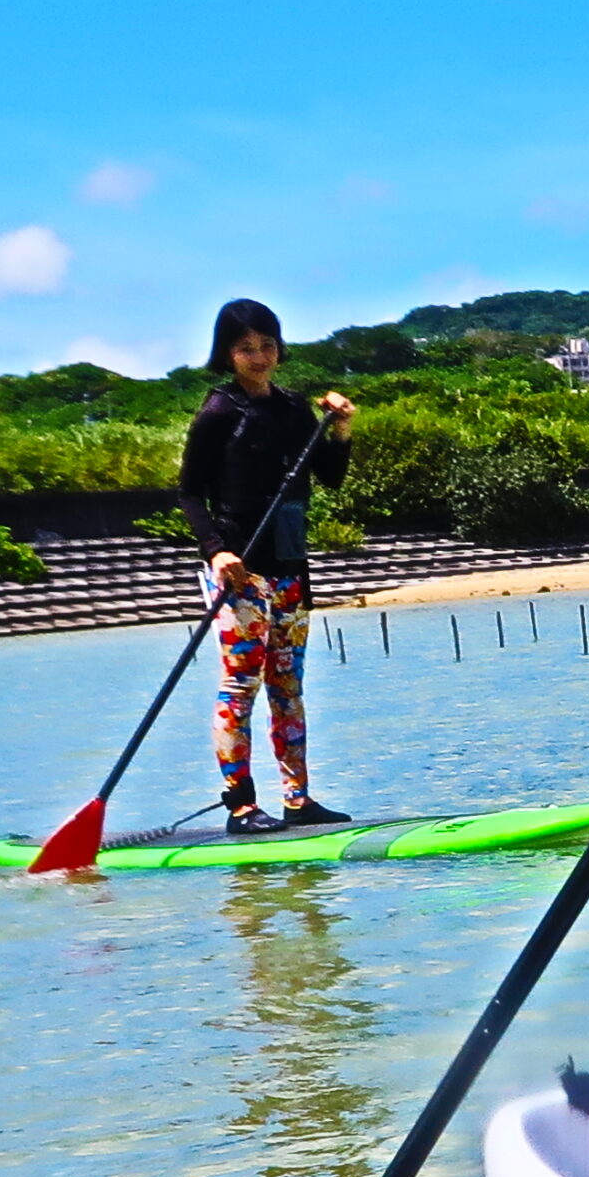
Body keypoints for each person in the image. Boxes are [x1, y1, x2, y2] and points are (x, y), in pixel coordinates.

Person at [179, 298, 353, 835]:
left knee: (288, 686)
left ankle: (298, 800)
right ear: (228, 354)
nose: (259, 357)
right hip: (241, 571)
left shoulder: (293, 408)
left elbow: (330, 477)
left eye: (267, 346)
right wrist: (216, 549)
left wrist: (340, 427)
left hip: (290, 565)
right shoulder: (218, 412)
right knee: (240, 686)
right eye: (246, 348)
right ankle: (241, 807)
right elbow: (188, 492)